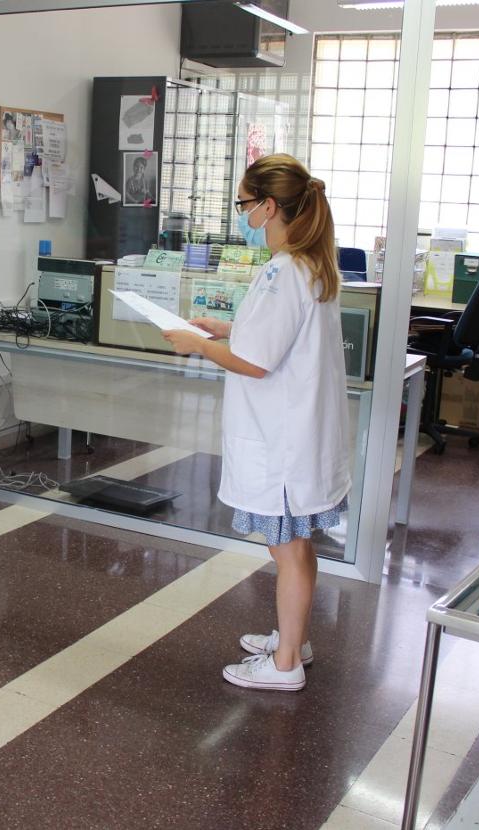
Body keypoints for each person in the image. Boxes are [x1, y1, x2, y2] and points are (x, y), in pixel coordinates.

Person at [162, 154, 350, 693]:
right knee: (297, 546)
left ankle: (285, 664)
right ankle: (294, 640)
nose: (242, 214)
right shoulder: (310, 263)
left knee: (287, 550)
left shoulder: (284, 269)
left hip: (284, 445)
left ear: (270, 206)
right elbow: (276, 336)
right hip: (299, 436)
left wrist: (199, 345)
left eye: (245, 204)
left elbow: (257, 361)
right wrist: (222, 326)